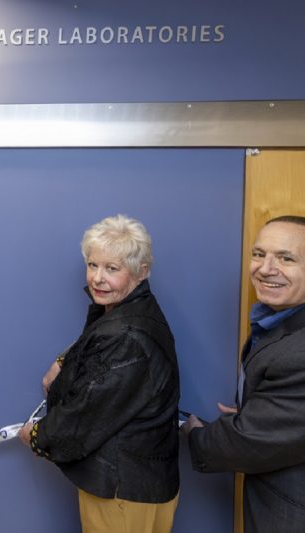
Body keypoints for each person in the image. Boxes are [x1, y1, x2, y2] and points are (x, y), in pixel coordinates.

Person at [181, 215, 305, 533]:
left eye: (286, 258)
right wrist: (258, 413)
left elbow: (245, 443)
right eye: (259, 254)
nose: (265, 268)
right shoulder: (289, 321)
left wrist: (195, 433)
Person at [18, 214, 180, 533]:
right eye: (93, 265)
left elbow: (86, 413)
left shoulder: (127, 336)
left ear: (141, 271)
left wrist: (37, 436)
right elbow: (102, 341)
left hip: (122, 489)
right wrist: (65, 360)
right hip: (143, 482)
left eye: (112, 268)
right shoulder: (134, 310)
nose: (97, 278)